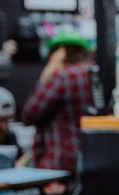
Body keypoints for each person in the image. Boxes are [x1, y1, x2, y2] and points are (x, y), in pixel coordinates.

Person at [22, 33, 95, 173]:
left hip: (59, 164)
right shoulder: (95, 73)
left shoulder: (62, 77)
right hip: (90, 160)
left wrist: (45, 77)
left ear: (61, 52)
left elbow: (29, 113)